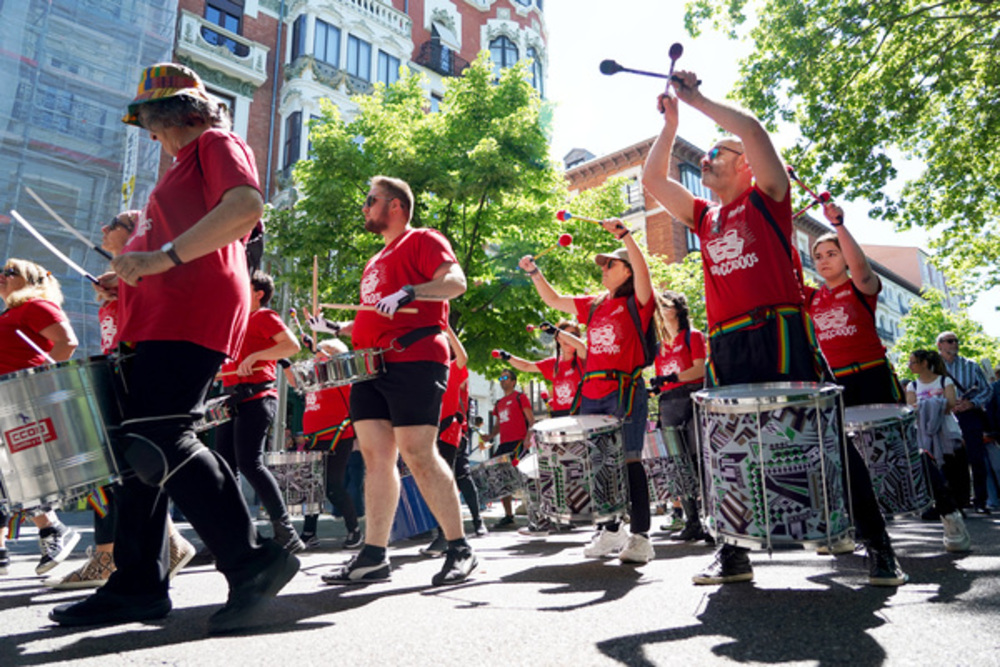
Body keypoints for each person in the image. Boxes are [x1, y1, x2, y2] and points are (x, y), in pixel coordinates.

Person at [49, 63, 299, 634]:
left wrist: (159, 261)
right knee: (140, 456)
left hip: (191, 310)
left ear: (167, 115)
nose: (151, 138)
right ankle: (136, 585)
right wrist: (133, 274)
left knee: (162, 435)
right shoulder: (185, 164)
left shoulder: (215, 141)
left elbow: (244, 208)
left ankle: (251, 560)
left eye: (150, 125)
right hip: (165, 311)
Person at [642, 73, 906, 586]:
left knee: (822, 436)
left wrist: (698, 100)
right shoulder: (704, 217)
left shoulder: (768, 198)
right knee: (727, 446)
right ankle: (733, 553)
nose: (706, 161)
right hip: (727, 342)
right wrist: (670, 125)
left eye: (717, 153)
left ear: (745, 165)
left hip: (779, 330)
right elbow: (654, 182)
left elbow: (756, 131)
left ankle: (878, 544)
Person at [313, 175, 477, 586]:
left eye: (371, 200)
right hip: (370, 365)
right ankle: (373, 555)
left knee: (417, 451)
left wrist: (411, 291)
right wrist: (337, 325)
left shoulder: (423, 239)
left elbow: (456, 283)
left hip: (415, 358)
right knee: (375, 457)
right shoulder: (374, 260)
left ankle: (460, 548)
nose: (365, 208)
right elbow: (374, 315)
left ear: (395, 207)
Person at [46, 211, 196, 590]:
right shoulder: (123, 280)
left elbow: (165, 306)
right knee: (125, 466)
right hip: (120, 369)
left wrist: (128, 286)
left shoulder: (152, 266)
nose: (103, 229)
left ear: (133, 233)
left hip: (139, 367)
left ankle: (109, 556)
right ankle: (164, 544)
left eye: (112, 223)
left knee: (119, 466)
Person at [518, 223, 658, 565]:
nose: (603, 269)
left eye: (610, 264)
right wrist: (534, 272)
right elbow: (553, 299)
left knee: (628, 459)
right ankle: (612, 531)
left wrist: (626, 237)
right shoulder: (594, 305)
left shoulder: (638, 301)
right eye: (604, 264)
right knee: (597, 464)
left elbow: (645, 272)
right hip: (592, 391)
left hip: (623, 388)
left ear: (627, 270)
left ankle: (641, 536)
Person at [0, 258, 82, 576]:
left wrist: (38, 383)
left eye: (11, 273)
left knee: (20, 474)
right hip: (7, 397)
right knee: (8, 475)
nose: (2, 276)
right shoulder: (12, 313)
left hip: (18, 399)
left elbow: (67, 342)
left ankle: (52, 529)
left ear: (33, 281)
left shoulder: (36, 306)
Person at [217, 270, 304, 553]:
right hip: (231, 399)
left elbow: (292, 345)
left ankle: (286, 531)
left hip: (258, 397)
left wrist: (257, 356)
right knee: (223, 467)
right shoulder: (236, 321)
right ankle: (234, 535)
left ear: (258, 294)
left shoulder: (264, 316)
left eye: (246, 286)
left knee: (249, 463)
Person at [805, 204, 905, 406]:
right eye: (818, 257)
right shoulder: (811, 297)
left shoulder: (859, 288)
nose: (824, 260)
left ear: (846, 258)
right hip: (835, 382)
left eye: (831, 254)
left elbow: (860, 267)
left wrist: (838, 225)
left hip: (873, 374)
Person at [290, 337, 365, 550]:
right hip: (314, 438)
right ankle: (309, 533)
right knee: (313, 487)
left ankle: (354, 530)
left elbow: (333, 361)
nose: (316, 357)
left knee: (333, 485)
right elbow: (294, 381)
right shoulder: (315, 378)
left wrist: (316, 346)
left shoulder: (341, 378)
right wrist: (286, 363)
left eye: (322, 353)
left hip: (336, 437)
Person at [421, 326, 488, 555]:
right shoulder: (430, 372)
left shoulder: (453, 368)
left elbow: (463, 357)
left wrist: (447, 328)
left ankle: (446, 535)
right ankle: (448, 532)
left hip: (450, 430)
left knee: (447, 479)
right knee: (450, 477)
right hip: (433, 430)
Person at [650, 290, 708, 542]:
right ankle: (691, 520)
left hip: (691, 398)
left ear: (677, 309)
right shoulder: (660, 344)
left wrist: (672, 378)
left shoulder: (692, 336)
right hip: (669, 402)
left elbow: (700, 368)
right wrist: (656, 387)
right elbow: (663, 377)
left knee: (698, 457)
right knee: (677, 462)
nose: (661, 310)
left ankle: (711, 518)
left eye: (665, 305)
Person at [904, 349, 972, 551]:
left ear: (925, 363)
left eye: (913, 362)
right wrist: (934, 404)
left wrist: (924, 405)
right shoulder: (912, 385)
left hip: (947, 430)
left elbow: (950, 405)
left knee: (953, 468)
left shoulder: (944, 381)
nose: (910, 366)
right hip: (924, 432)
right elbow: (910, 408)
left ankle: (957, 504)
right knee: (931, 469)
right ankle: (937, 506)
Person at [937, 331, 993, 513]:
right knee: (950, 460)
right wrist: (947, 404)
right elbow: (928, 391)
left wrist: (971, 403)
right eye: (950, 341)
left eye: (956, 341)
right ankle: (956, 502)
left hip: (969, 415)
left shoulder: (971, 365)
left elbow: (987, 390)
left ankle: (980, 501)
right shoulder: (933, 368)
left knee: (977, 458)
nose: (954, 344)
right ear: (940, 345)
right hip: (946, 417)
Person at [482, 369, 535, 528]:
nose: (502, 380)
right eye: (501, 377)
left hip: (519, 443)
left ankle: (534, 514)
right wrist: (490, 436)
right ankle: (508, 515)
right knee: (501, 478)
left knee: (524, 478)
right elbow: (498, 425)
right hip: (504, 444)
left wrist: (528, 439)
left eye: (505, 377)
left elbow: (531, 421)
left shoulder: (520, 397)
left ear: (513, 381)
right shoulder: (499, 403)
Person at [503, 321, 587, 419]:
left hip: (581, 415)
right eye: (566, 335)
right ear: (558, 339)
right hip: (560, 417)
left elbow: (580, 346)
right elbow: (526, 366)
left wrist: (556, 331)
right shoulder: (553, 364)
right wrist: (508, 357)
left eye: (573, 335)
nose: (569, 338)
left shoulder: (582, 358)